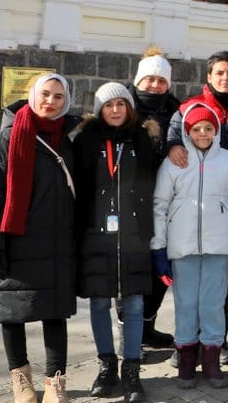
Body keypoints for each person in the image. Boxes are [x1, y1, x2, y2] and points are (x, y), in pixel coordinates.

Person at [0, 73, 79, 403]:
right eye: (45, 94)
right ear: (33, 95)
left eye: (58, 96)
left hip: (57, 242)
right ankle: (21, 380)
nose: (51, 101)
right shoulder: (9, 136)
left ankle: (54, 383)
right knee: (12, 311)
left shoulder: (66, 139)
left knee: (54, 313)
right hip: (15, 240)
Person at [152, 103, 228, 389]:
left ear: (217, 130)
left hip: (219, 244)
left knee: (212, 304)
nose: (202, 133)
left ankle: (211, 358)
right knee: (186, 304)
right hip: (182, 244)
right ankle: (186, 357)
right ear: (187, 130)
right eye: (196, 128)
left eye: (208, 128)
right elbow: (160, 205)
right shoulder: (174, 162)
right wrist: (159, 247)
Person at [165, 50, 228, 365]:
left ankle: (217, 342)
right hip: (193, 207)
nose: (225, 77)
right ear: (209, 76)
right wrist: (172, 145)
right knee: (189, 284)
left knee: (221, 281)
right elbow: (171, 142)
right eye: (219, 72)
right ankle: (187, 344)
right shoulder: (187, 108)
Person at [73, 82, 158, 401]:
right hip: (96, 232)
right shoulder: (86, 140)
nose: (115, 110)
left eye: (121, 104)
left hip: (134, 233)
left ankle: (132, 370)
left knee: (134, 303)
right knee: (98, 301)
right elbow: (78, 187)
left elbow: (151, 185)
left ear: (130, 108)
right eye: (109, 105)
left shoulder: (141, 139)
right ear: (99, 110)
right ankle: (107, 366)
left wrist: (151, 231)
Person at [127, 47, 180, 351]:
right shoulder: (124, 108)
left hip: (168, 203)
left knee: (161, 269)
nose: (155, 85)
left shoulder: (178, 110)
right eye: (150, 79)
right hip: (132, 204)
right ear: (138, 80)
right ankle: (129, 338)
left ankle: (148, 327)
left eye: (161, 80)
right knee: (133, 271)